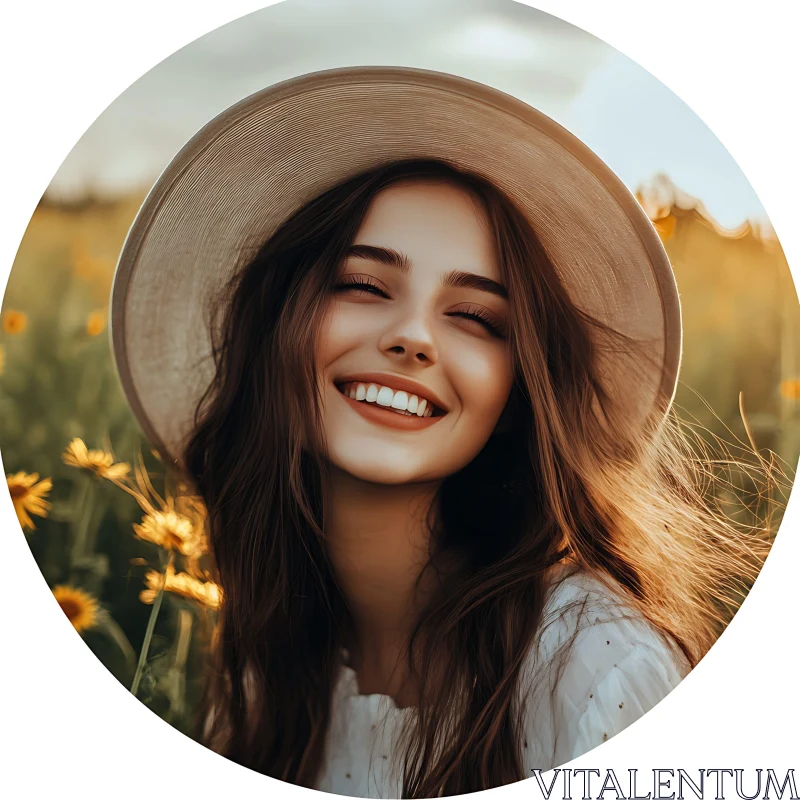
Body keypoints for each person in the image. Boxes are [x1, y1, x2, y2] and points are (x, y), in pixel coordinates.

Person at [110, 68, 775, 798]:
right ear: (274, 328)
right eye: (364, 285)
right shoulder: (262, 663)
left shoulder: (594, 673)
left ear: (520, 392)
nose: (414, 338)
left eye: (477, 318)